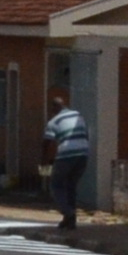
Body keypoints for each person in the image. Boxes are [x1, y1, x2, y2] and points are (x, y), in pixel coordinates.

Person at [43, 89, 91, 233]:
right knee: (71, 186)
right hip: (83, 154)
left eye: (52, 108)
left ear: (55, 107)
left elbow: (46, 143)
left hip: (66, 156)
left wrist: (45, 162)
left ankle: (68, 213)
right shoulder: (78, 115)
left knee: (56, 185)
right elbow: (86, 134)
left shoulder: (53, 122)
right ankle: (70, 221)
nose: (51, 111)